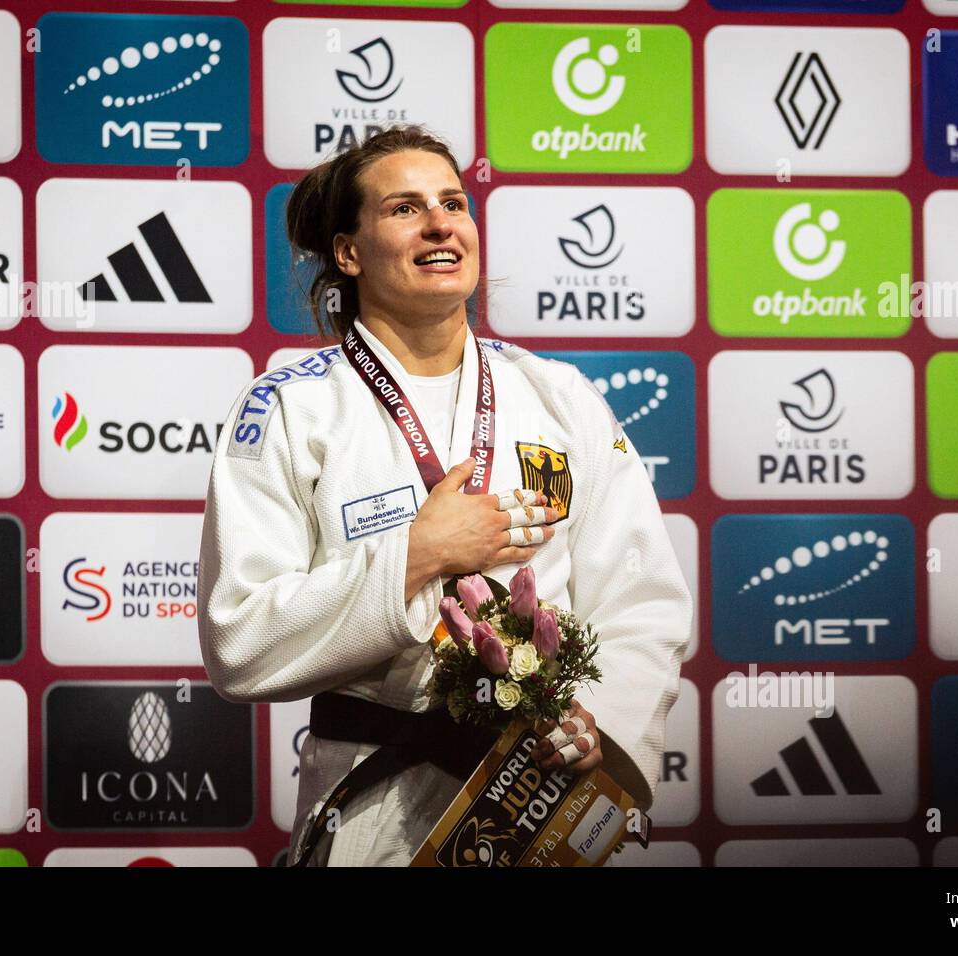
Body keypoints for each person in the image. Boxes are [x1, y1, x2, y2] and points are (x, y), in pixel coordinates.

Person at [196, 124, 691, 866]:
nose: (439, 224)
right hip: (372, 811)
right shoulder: (290, 408)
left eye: (453, 203)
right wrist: (416, 556)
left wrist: (599, 720)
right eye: (403, 208)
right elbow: (240, 640)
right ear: (348, 252)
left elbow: (642, 598)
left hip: (540, 801)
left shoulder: (557, 397)